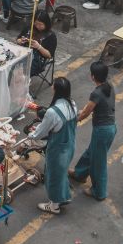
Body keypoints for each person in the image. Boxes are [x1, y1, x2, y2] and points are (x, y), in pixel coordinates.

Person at [28, 76, 77, 215]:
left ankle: (54, 205)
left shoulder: (52, 112)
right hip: (70, 144)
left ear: (56, 89)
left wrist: (31, 135)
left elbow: (41, 132)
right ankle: (63, 197)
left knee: (53, 176)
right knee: (61, 173)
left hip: (58, 149)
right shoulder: (72, 103)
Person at [68, 61, 116, 201]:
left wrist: (73, 120)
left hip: (102, 131)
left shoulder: (96, 93)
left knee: (98, 162)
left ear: (93, 76)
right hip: (110, 128)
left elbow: (85, 113)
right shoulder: (109, 87)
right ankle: (79, 174)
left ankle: (99, 192)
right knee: (91, 153)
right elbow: (90, 107)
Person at [18, 9, 57, 79]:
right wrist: (21, 40)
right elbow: (18, 39)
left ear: (46, 23)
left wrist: (39, 47)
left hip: (37, 60)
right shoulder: (29, 28)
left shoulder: (51, 36)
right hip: (23, 53)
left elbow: (49, 55)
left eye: (40, 24)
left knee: (19, 71)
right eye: (36, 23)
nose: (37, 26)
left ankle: (20, 85)